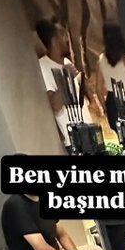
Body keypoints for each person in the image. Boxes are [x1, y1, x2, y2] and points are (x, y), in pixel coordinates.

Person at [36, 17, 100, 150]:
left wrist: (93, 100)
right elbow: (55, 106)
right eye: (63, 35)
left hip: (88, 130)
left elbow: (80, 80)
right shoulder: (43, 66)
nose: (67, 38)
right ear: (54, 40)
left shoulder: (66, 62)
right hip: (75, 140)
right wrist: (65, 78)